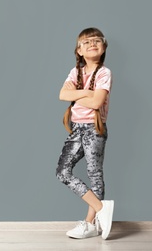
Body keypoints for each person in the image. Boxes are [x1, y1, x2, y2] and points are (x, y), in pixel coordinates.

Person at [56, 27, 114, 240]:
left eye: (97, 40)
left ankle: (90, 223)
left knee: (94, 174)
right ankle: (101, 208)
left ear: (104, 46)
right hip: (76, 128)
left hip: (94, 128)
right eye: (86, 42)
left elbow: (97, 102)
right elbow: (62, 94)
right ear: (78, 50)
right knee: (63, 172)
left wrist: (76, 94)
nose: (92, 44)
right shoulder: (75, 72)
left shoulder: (104, 73)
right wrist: (87, 92)